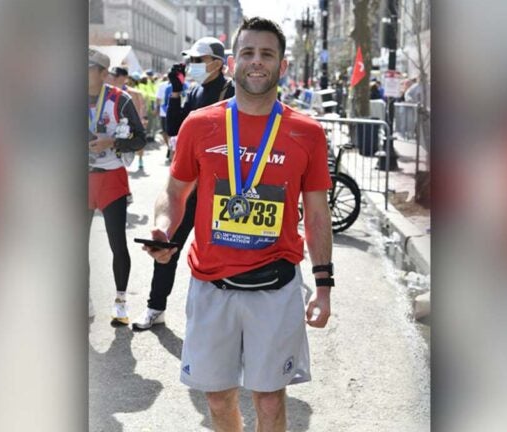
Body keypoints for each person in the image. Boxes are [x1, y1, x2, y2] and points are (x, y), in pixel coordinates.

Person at [144, 17, 334, 431]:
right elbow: (175, 193)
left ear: (282, 66)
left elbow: (318, 214)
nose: (256, 62)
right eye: (248, 52)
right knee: (217, 399)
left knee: (269, 401)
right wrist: (164, 228)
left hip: (276, 287)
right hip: (212, 285)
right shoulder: (200, 124)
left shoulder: (308, 133)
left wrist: (323, 287)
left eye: (267, 54)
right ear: (232, 62)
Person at [131, 36, 234, 330]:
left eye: (198, 60)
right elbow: (173, 128)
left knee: (218, 253)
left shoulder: (232, 91)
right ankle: (155, 307)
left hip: (221, 189)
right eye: (190, 60)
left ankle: (219, 321)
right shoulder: (193, 90)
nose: (193, 66)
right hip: (188, 186)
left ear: (217, 62)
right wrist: (175, 92)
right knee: (167, 245)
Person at [87, 48, 146, 326]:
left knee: (116, 243)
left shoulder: (119, 99)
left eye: (88, 69)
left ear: (102, 73)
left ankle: (121, 300)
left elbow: (140, 138)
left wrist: (112, 142)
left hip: (111, 177)